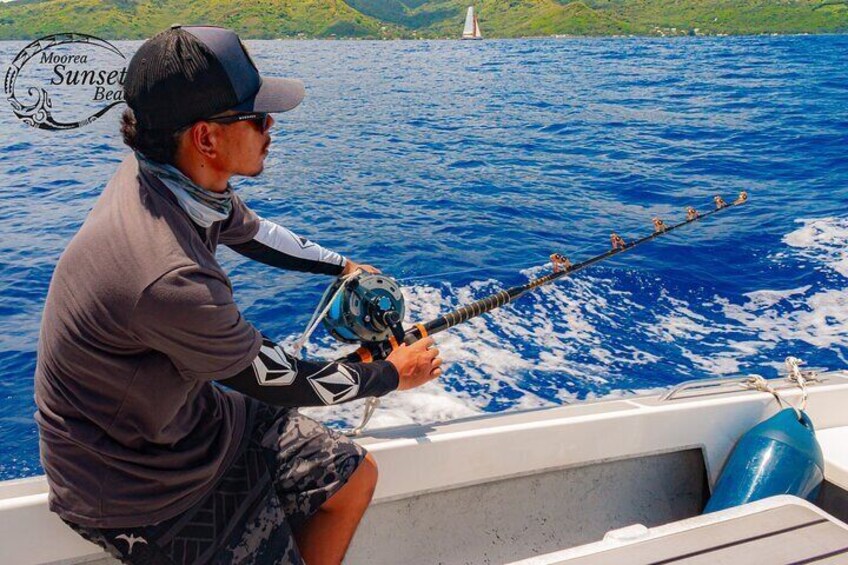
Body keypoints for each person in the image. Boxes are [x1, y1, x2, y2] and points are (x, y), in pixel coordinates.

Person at [34, 25, 442, 564]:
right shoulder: (166, 276)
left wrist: (343, 266)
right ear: (206, 138)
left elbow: (253, 233)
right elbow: (278, 379)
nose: (271, 126)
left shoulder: (172, 177)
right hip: (133, 485)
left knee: (353, 478)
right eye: (256, 117)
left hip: (189, 420)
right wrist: (392, 374)